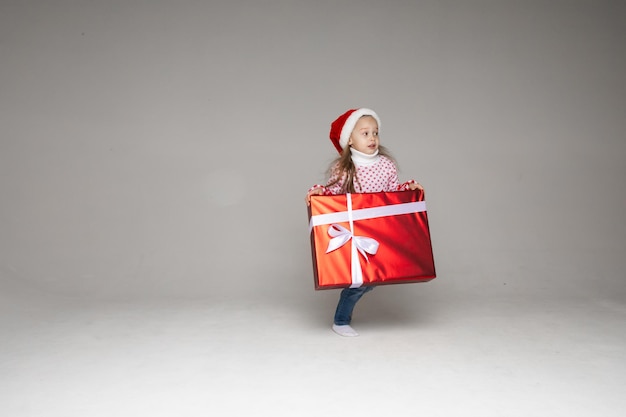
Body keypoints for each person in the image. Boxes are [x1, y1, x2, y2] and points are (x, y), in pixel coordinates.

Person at [305, 108, 423, 337]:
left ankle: (343, 314)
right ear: (349, 139)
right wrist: (318, 192)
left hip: (382, 230)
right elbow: (332, 194)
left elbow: (392, 192)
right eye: (365, 133)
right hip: (358, 232)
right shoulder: (343, 168)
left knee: (373, 278)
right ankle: (340, 321)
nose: (372, 138)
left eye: (375, 133)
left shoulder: (386, 165)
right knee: (360, 282)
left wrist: (407, 189)